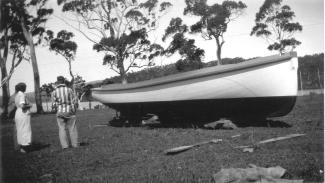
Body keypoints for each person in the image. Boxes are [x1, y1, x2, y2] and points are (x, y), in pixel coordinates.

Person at [51, 76, 79, 149]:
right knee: (72, 128)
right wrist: (74, 110)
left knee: (62, 128)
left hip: (60, 112)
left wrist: (56, 110)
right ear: (64, 81)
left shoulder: (54, 92)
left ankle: (65, 146)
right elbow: (74, 101)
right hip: (70, 111)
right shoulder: (69, 90)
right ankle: (75, 144)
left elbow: (53, 105)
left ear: (57, 82)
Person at [14, 83, 32, 153]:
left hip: (18, 113)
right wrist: (29, 105)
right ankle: (25, 148)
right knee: (25, 130)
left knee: (20, 130)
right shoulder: (22, 94)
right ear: (22, 88)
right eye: (25, 87)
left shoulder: (17, 95)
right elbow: (22, 106)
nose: (25, 88)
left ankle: (22, 147)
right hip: (23, 113)